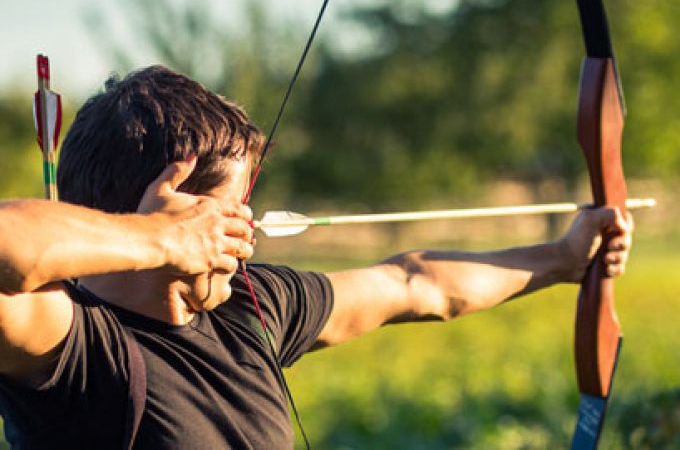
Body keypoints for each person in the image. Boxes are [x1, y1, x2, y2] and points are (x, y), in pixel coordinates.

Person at [0, 66, 632, 449]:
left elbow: (414, 284)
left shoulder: (248, 306)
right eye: (230, 207)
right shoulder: (73, 346)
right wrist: (157, 242)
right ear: (175, 208)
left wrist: (564, 258)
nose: (247, 225)